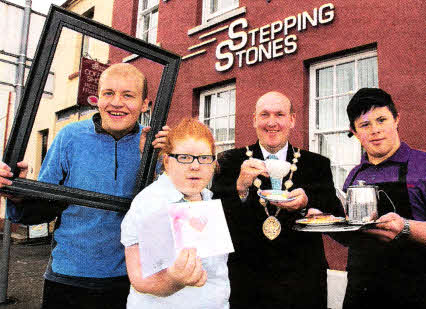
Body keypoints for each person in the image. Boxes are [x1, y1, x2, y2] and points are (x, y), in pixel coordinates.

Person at [0, 63, 168, 309]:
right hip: (68, 277)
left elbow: (171, 212)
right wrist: (18, 192)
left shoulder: (156, 145)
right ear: (97, 99)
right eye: (108, 93)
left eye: (128, 95)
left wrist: (163, 161)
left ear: (145, 104)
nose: (117, 102)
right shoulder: (69, 137)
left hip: (133, 278)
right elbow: (44, 208)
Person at [211, 91, 344, 309]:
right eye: (265, 115)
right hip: (247, 284)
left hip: (302, 285)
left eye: (279, 114)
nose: (272, 122)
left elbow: (336, 216)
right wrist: (240, 187)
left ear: (292, 120)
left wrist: (307, 203)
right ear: (254, 119)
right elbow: (216, 221)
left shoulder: (316, 164)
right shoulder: (229, 162)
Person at [342, 87, 426, 308]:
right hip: (360, 295)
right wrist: (322, 220)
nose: (375, 130)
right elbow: (350, 234)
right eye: (365, 125)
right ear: (353, 131)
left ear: (397, 119)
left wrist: (405, 227)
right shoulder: (354, 175)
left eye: (381, 120)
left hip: (417, 295)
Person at [121, 118, 230, 308]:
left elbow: (217, 273)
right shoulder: (151, 204)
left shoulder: (207, 199)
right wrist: (175, 280)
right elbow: (140, 279)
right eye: (184, 157)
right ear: (167, 162)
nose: (195, 166)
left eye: (204, 158)